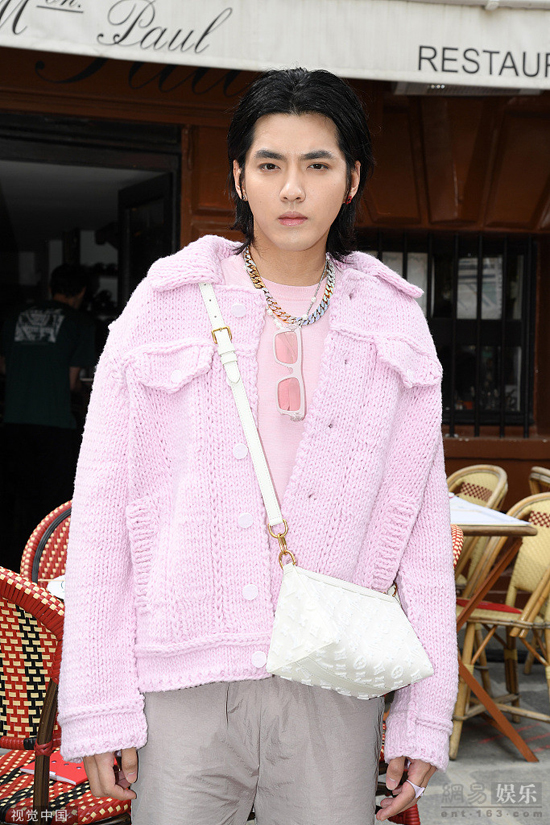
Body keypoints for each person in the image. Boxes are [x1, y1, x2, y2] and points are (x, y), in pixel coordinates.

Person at [58, 69, 458, 825]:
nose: (292, 189)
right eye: (270, 164)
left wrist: (424, 712)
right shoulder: (165, 305)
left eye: (317, 164)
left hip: (332, 679)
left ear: (352, 179)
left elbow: (422, 532)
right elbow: (105, 510)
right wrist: (99, 702)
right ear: (239, 177)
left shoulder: (392, 320)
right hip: (183, 679)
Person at [0, 264, 95, 570]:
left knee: (15, 505)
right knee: (51, 508)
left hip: (13, 423)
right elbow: (72, 381)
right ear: (81, 292)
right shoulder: (79, 322)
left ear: (51, 287)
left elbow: (4, 366)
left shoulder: (14, 316)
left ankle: (11, 573)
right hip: (55, 425)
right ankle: (42, 572)